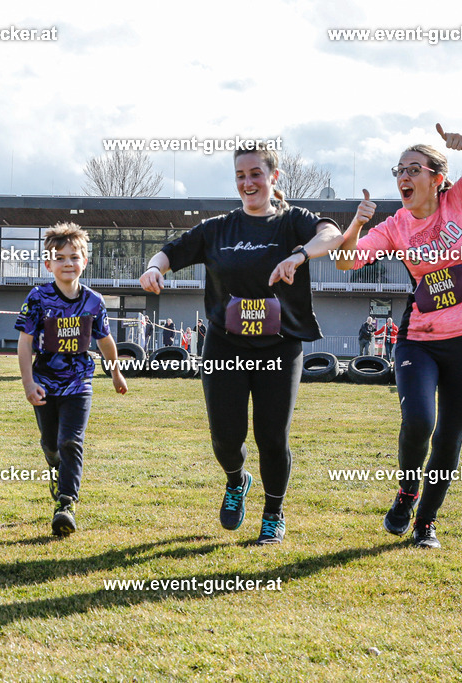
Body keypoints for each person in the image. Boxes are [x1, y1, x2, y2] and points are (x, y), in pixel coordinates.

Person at [140, 142, 344, 544]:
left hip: (280, 347)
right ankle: (237, 480)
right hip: (225, 346)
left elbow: (332, 235)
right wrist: (152, 268)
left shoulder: (293, 222)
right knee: (225, 437)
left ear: (273, 177)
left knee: (272, 436)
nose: (248, 182)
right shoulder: (218, 228)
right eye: (240, 175)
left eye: (255, 174)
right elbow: (170, 252)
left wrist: (299, 256)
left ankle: (274, 512)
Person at [336, 123, 462, 549]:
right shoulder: (395, 225)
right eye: (399, 171)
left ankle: (425, 521)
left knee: (450, 434)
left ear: (436, 178)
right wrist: (355, 223)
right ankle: (407, 493)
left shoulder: (460, 200)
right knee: (420, 421)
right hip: (419, 340)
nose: (404, 178)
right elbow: (346, 262)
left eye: (414, 169)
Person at [16, 222, 127, 536]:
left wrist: (115, 372)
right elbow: (25, 342)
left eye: (74, 257)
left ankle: (66, 504)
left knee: (71, 441)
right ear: (48, 263)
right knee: (52, 443)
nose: (68, 263)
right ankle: (53, 464)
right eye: (60, 258)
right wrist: (27, 383)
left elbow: (104, 340)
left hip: (79, 384)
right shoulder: (38, 298)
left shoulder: (94, 302)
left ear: (85, 261)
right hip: (44, 384)